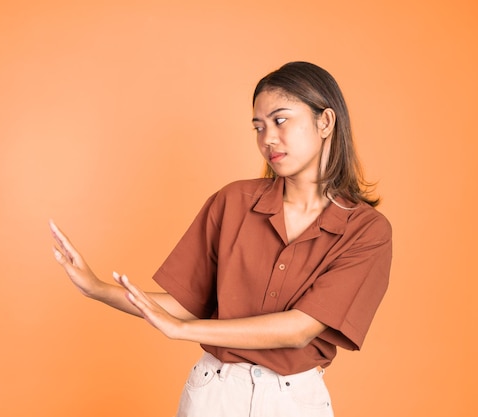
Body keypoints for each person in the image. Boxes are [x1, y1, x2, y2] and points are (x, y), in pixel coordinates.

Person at [50, 61, 392, 417]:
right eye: (258, 127)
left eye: (280, 120)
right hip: (214, 394)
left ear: (325, 122)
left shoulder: (367, 231)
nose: (267, 139)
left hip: (293, 401)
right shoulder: (232, 202)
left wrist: (183, 330)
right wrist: (96, 288)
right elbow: (185, 305)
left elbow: (299, 329)